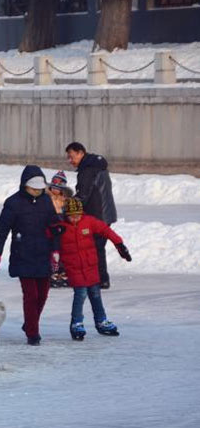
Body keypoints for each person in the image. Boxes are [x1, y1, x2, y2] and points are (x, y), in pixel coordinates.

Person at [0, 165, 59, 346]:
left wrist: (55, 250)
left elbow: (54, 227)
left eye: (40, 189)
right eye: (34, 189)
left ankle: (30, 323)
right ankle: (33, 333)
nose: (37, 192)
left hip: (43, 253)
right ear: (25, 186)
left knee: (43, 295)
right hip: (23, 254)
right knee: (31, 295)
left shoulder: (46, 201)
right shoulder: (13, 203)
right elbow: (2, 230)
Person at [56, 197, 132, 340]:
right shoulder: (61, 227)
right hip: (74, 268)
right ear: (66, 215)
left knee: (96, 295)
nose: (74, 219)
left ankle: (101, 321)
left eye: (77, 215)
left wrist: (120, 244)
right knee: (81, 295)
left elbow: (106, 230)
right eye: (71, 216)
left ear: (81, 213)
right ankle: (76, 323)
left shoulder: (88, 222)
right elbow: (49, 242)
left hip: (91, 267)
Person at [65, 141, 118, 289]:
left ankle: (99, 279)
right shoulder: (97, 166)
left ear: (81, 153)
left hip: (98, 214)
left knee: (94, 247)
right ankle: (101, 278)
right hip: (105, 213)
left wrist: (68, 207)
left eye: (71, 156)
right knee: (97, 247)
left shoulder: (87, 170)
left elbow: (83, 195)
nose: (70, 161)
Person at [48, 170, 74, 288]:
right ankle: (53, 272)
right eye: (53, 187)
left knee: (64, 250)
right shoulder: (47, 198)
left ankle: (62, 272)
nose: (55, 190)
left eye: (57, 188)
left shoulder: (66, 200)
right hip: (51, 227)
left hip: (63, 227)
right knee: (53, 251)